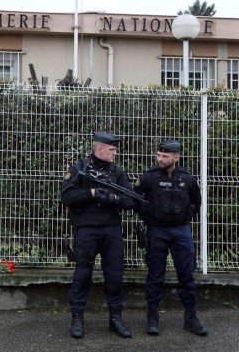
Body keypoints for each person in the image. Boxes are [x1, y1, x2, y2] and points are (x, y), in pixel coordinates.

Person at [60, 131, 136, 339]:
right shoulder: (79, 169)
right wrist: (92, 193)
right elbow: (66, 196)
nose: (115, 153)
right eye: (112, 150)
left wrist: (113, 198)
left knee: (114, 275)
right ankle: (77, 319)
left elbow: (131, 200)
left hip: (111, 230)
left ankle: (115, 319)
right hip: (86, 230)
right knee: (82, 275)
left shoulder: (117, 173)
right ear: (99, 149)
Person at [134, 139, 208, 336]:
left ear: (176, 157)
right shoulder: (148, 178)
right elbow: (135, 200)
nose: (160, 159)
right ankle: (152, 317)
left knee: (186, 274)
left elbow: (196, 202)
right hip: (157, 230)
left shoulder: (188, 179)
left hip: (180, 231)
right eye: (158, 155)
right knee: (155, 275)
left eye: (165, 156)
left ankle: (191, 318)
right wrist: (148, 218)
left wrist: (184, 219)